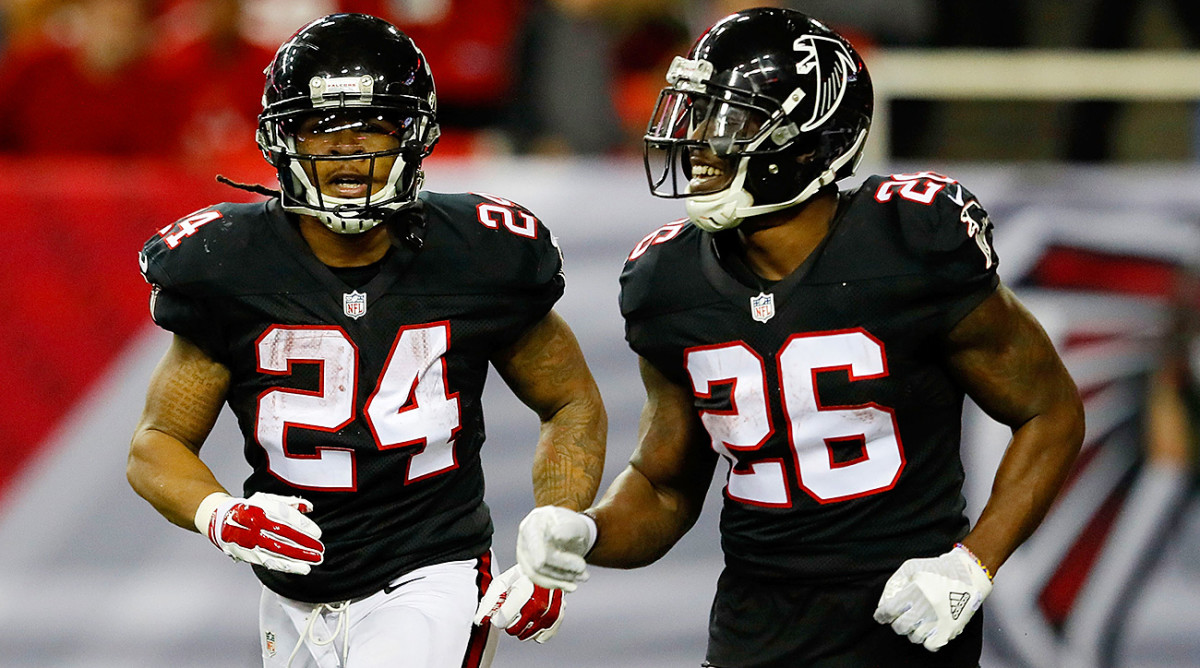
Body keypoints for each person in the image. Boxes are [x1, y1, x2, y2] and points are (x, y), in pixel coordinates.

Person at [503, 7, 1085, 667]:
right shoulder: (667, 280)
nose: (697, 140)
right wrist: (587, 530)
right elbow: (666, 484)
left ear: (807, 141)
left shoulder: (908, 243)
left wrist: (972, 565)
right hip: (755, 628)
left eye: (731, 119)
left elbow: (1049, 410)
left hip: (903, 617)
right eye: (697, 113)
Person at [126, 13, 606, 668]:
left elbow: (571, 401)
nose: (348, 148)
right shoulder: (230, 264)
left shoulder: (477, 255)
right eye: (321, 127)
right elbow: (157, 442)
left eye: (373, 125)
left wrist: (556, 525)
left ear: (414, 134)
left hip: (432, 572)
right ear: (281, 136)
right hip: (293, 596)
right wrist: (220, 515)